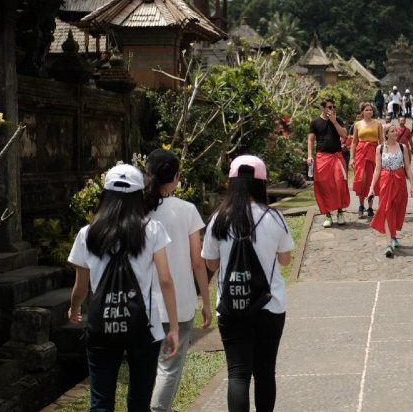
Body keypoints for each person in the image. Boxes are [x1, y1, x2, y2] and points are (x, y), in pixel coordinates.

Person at [68, 164, 179, 411]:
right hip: (143, 326)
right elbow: (165, 279)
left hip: (102, 325)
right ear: (139, 196)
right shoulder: (151, 230)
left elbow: (81, 287)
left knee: (100, 402)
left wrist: (74, 308)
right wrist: (172, 326)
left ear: (105, 195)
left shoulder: (87, 234)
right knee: (139, 402)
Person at [202, 155, 293, 412]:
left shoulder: (219, 218)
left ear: (231, 183)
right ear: (261, 184)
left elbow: (211, 263)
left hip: (232, 304)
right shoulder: (274, 218)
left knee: (238, 373)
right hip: (270, 305)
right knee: (265, 372)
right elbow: (285, 260)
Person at [144, 149, 212, 412]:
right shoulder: (187, 210)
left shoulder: (139, 210)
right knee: (169, 367)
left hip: (145, 304)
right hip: (180, 303)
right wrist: (206, 301)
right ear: (176, 177)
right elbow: (198, 261)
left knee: (147, 366)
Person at [368, 124, 413, 257]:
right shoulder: (380, 148)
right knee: (386, 209)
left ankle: (393, 235)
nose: (396, 133)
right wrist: (372, 187)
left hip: (399, 180)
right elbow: (377, 169)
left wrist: (412, 185)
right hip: (385, 181)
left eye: (396, 130)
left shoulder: (403, 147)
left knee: (398, 209)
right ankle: (389, 243)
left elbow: (407, 167)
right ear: (386, 134)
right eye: (393, 131)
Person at [307, 98, 350, 228]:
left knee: (339, 184)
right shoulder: (315, 122)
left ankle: (340, 212)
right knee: (324, 186)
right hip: (322, 157)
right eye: (329, 107)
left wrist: (334, 121)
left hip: (337, 156)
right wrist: (309, 155)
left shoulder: (338, 120)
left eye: (333, 107)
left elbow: (344, 135)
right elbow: (310, 140)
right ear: (323, 108)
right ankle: (328, 215)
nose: (331, 110)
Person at [351, 102, 384, 219]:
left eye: (371, 110)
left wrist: (383, 156)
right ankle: (361, 205)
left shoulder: (378, 124)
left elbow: (382, 142)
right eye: (366, 110)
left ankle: (370, 207)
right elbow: (354, 142)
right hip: (361, 153)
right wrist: (352, 158)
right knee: (361, 179)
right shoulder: (357, 125)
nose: (369, 112)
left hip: (374, 152)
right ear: (362, 112)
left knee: (372, 179)